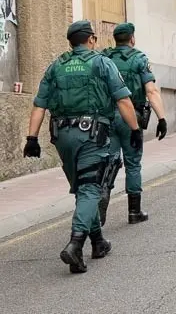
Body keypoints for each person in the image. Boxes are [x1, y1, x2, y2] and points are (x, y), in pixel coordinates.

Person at [23, 20, 142, 273]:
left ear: (71, 42)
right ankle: (75, 244)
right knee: (91, 189)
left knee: (81, 188)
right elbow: (123, 100)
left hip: (62, 136)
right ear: (91, 40)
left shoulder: (56, 66)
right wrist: (134, 130)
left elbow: (39, 104)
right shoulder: (101, 62)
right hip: (92, 136)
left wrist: (31, 139)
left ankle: (98, 242)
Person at [99, 23, 168, 226]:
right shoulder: (139, 59)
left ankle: (103, 197)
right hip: (131, 118)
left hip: (107, 117)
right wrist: (162, 118)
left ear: (115, 39)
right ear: (132, 39)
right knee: (133, 163)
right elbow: (151, 91)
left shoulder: (104, 58)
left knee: (109, 161)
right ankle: (134, 211)